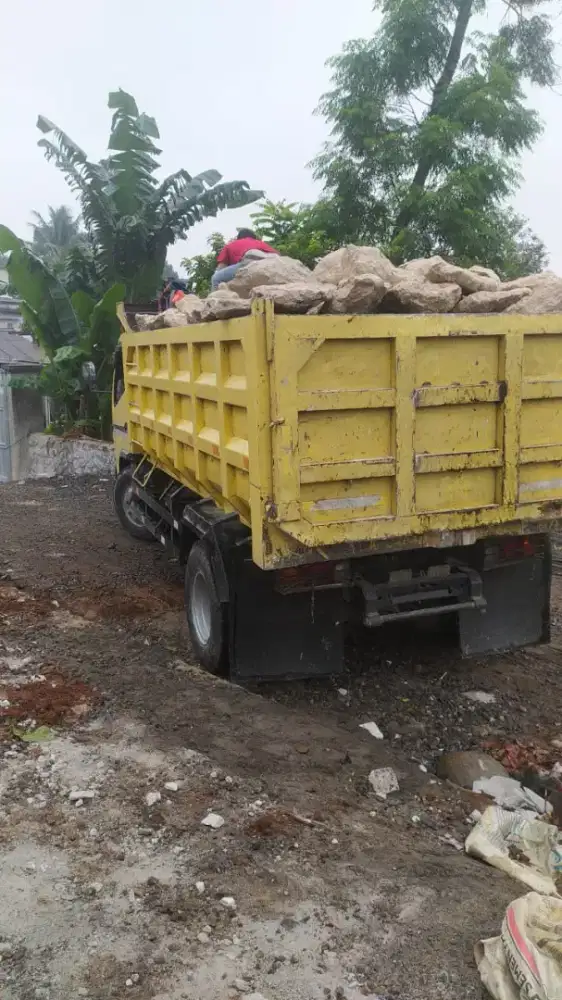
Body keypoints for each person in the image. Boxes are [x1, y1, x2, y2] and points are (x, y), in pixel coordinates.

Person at [211, 228, 278, 290]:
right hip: (269, 265)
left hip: (248, 263)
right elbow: (277, 256)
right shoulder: (262, 243)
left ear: (238, 238)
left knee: (216, 278)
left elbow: (221, 267)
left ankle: (216, 298)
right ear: (254, 237)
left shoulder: (230, 245)